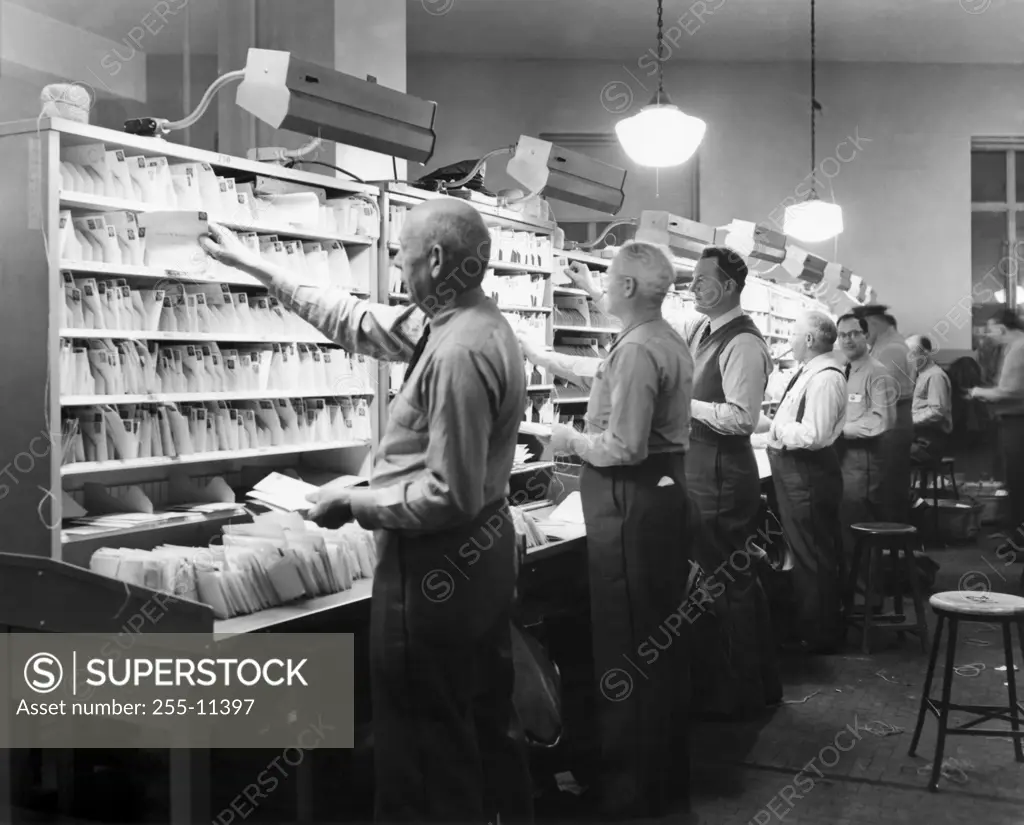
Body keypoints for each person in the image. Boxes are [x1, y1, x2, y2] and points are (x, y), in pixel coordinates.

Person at [200, 198, 533, 825]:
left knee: (423, 748)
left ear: (434, 259)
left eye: (401, 254)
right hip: (476, 560)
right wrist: (254, 264)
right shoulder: (461, 322)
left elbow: (449, 493)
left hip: (437, 569)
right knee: (481, 727)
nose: (398, 265)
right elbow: (358, 320)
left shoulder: (460, 350)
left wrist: (354, 501)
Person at [519, 242, 693, 819]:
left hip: (630, 501)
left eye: (608, 282)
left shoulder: (639, 350)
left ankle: (629, 793)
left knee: (626, 646)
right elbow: (607, 371)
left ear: (624, 290)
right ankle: (657, 780)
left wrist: (566, 440)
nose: (604, 290)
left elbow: (624, 446)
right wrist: (538, 350)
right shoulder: (661, 337)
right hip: (655, 499)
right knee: (652, 647)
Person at [681, 246, 781, 714]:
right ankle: (748, 684)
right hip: (701, 468)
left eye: (702, 280)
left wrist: (680, 405)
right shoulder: (702, 328)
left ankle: (743, 694)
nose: (693, 286)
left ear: (728, 287)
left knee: (729, 581)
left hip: (722, 473)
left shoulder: (742, 342)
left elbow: (742, 418)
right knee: (725, 577)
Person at [760, 311, 846, 654]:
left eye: (793, 335)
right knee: (807, 550)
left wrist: (777, 430)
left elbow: (816, 434)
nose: (790, 341)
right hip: (798, 472)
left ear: (810, 340)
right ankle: (813, 626)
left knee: (811, 554)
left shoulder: (825, 377)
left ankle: (819, 634)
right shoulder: (810, 371)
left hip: (807, 474)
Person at [835, 313, 895, 605]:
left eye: (854, 333)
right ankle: (853, 602)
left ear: (866, 335)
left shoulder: (877, 372)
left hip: (862, 463)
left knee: (859, 534)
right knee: (846, 535)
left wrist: (834, 431)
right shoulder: (844, 369)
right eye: (843, 334)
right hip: (843, 461)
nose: (848, 339)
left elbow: (880, 422)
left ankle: (867, 604)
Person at [969, 309, 1024, 556]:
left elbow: (1009, 391)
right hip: (1014, 421)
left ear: (1002, 329)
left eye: (990, 329)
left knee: (1017, 483)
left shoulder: (1018, 348)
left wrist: (977, 393)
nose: (988, 335)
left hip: (1016, 422)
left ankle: (1018, 543)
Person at [853, 305, 914, 521]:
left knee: (888, 484)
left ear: (873, 323)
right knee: (889, 482)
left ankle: (888, 539)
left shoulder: (891, 349)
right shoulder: (888, 345)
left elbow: (880, 391)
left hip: (892, 425)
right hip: (892, 421)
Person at [907, 334, 953, 467]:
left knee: (890, 451)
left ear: (925, 354)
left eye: (912, 355)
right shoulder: (921, 375)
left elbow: (937, 412)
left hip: (930, 441)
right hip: (921, 436)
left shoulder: (935, 376)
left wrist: (909, 421)